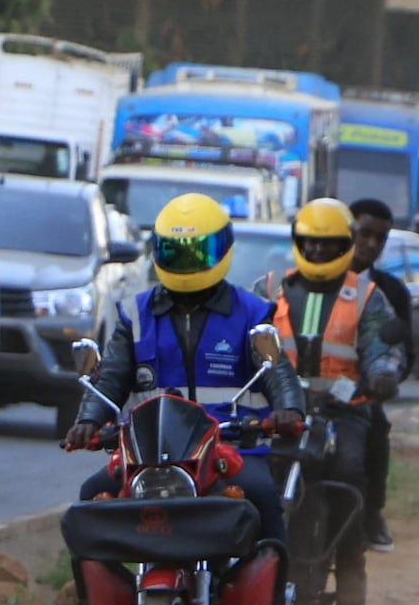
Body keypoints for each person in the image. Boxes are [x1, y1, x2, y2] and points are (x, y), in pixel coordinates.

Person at [72, 193, 290, 549]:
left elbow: (277, 372)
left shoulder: (252, 313)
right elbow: (111, 377)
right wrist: (89, 420)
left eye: (197, 251)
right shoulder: (136, 315)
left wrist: (289, 409)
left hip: (229, 449)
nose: (186, 261)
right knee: (90, 498)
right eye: (176, 251)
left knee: (263, 496)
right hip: (150, 453)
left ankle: (276, 601)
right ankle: (93, 603)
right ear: (157, 251)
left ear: (223, 249)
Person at [268, 201, 409, 605]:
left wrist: (383, 372)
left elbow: (381, 344)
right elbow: (246, 335)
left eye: (328, 245)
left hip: (343, 409)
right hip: (280, 409)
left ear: (344, 246)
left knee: (349, 467)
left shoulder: (368, 296)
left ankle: (350, 559)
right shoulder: (271, 286)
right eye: (309, 244)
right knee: (250, 471)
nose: (316, 252)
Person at [342, 197, 414, 550]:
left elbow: (403, 351)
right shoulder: (297, 282)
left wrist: (384, 377)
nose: (370, 243)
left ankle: (370, 513)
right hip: (298, 391)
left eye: (379, 238)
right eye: (363, 233)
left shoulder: (392, 292)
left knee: (374, 434)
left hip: (356, 396)